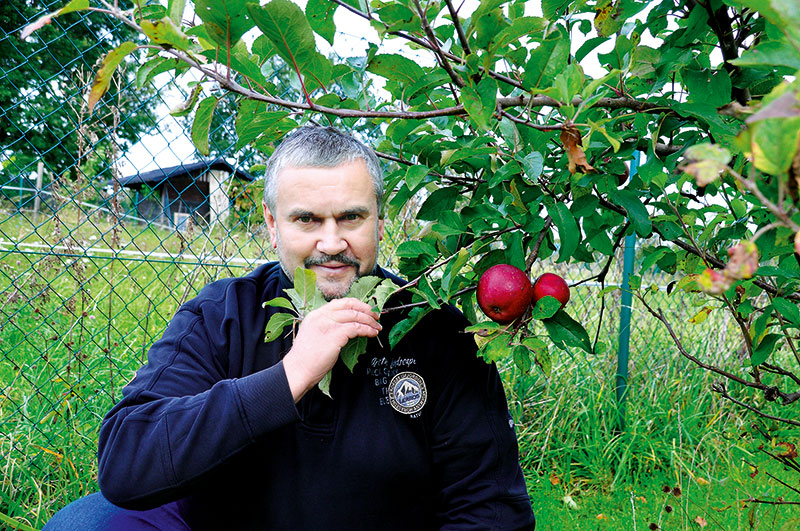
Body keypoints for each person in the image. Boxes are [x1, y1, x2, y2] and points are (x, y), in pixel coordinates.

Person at [44, 126, 536, 530]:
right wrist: (288, 377)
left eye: (352, 217)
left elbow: (490, 508)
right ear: (272, 224)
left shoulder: (435, 331)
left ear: (380, 223)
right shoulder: (223, 316)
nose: (332, 241)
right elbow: (129, 463)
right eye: (306, 219)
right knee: (88, 524)